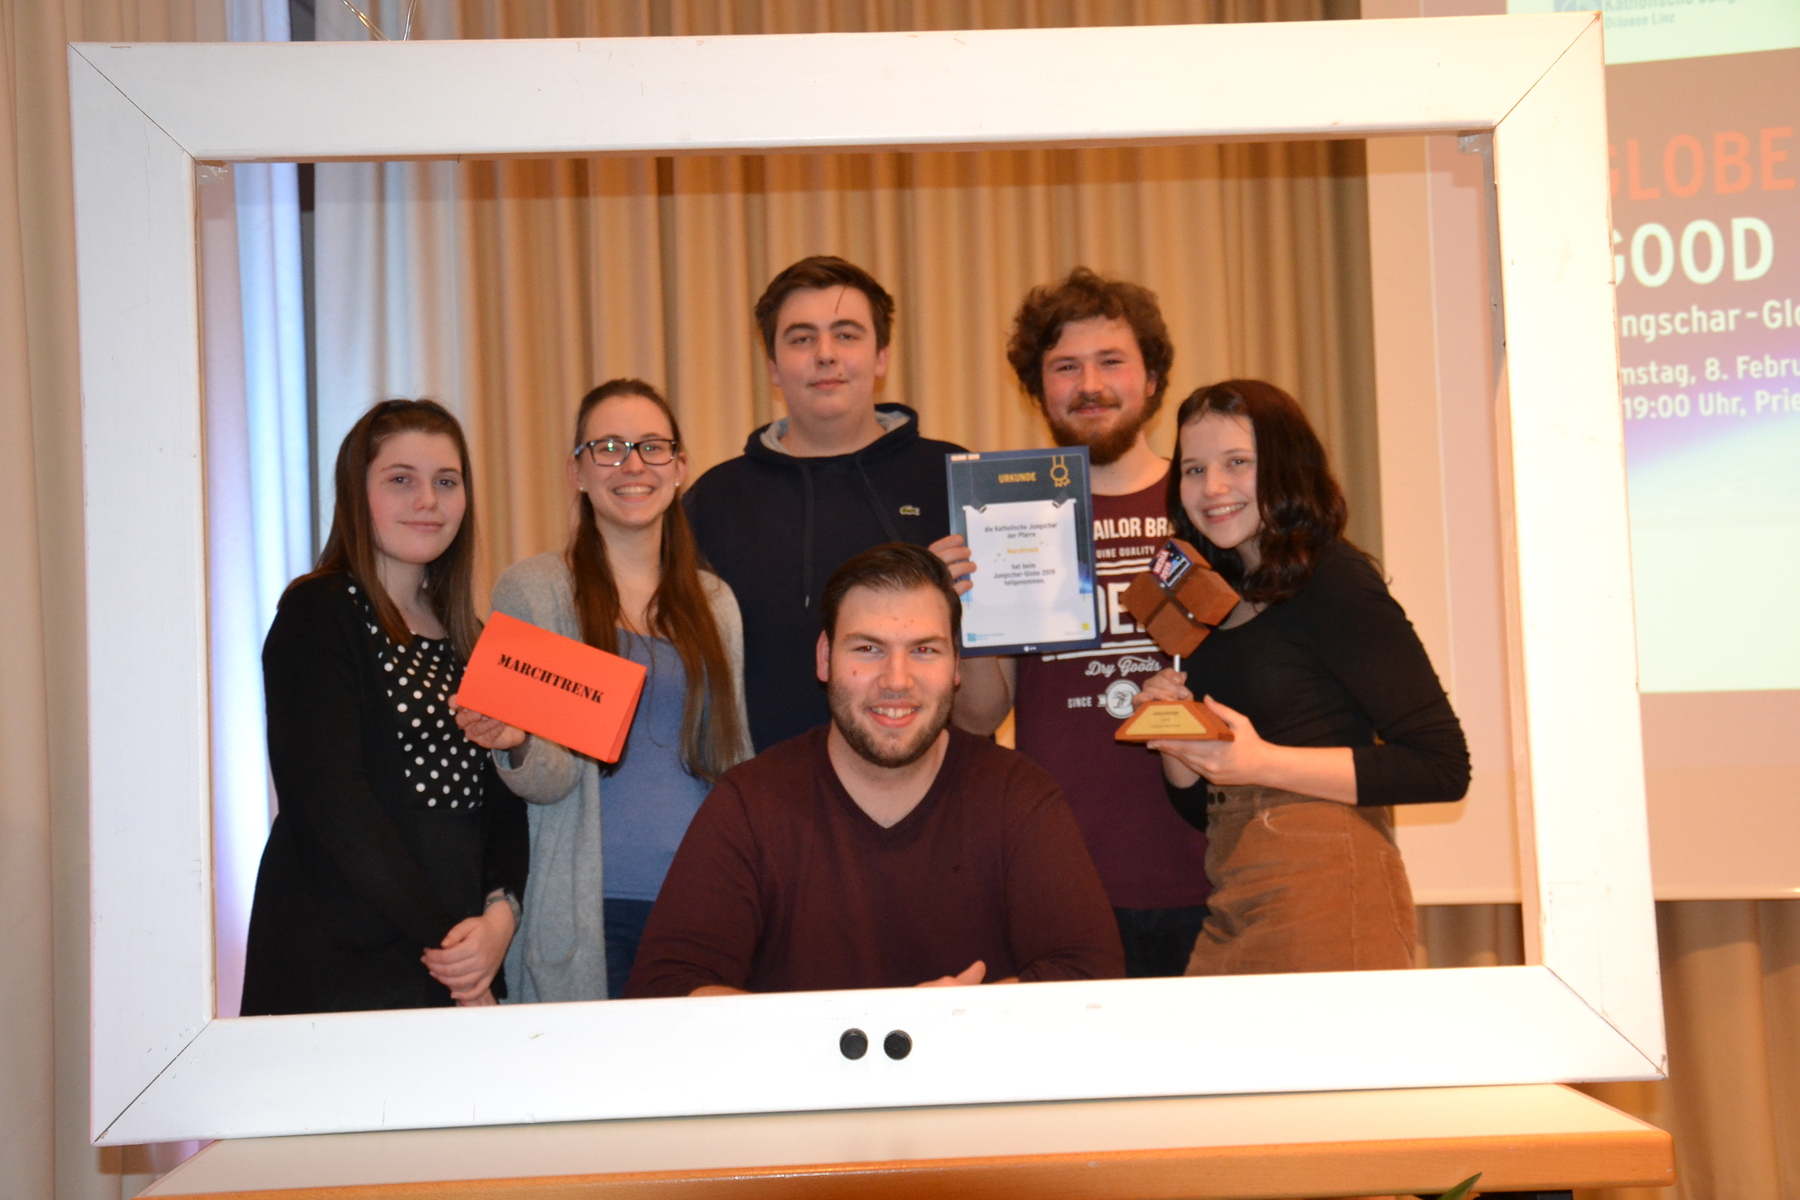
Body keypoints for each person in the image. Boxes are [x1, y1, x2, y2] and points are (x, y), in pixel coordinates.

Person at [625, 544, 1124, 997]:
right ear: (825, 658)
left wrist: (965, 1020)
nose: (896, 680)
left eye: (924, 650)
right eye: (868, 649)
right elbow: (667, 987)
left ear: (957, 665)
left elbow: (1092, 973)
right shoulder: (751, 803)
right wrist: (852, 1034)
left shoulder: (1017, 795)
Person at [1133, 380, 1470, 975]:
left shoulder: (1335, 580)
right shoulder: (1212, 598)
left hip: (1329, 891)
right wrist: (1177, 740)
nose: (1213, 488)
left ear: (1285, 465)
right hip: (1234, 889)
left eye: (1238, 463)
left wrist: (1261, 761)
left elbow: (1442, 766)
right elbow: (1204, 809)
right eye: (1193, 469)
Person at [931, 267, 1210, 978]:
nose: (1090, 384)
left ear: (1153, 379)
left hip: (1210, 868)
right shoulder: (1008, 513)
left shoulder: (1207, 504)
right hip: (1064, 873)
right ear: (1038, 388)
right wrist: (966, 612)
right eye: (1065, 367)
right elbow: (980, 716)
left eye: (1111, 361)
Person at [455, 380, 752, 1003]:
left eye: (652, 446)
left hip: (703, 901)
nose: (633, 464)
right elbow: (550, 778)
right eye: (609, 447)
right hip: (592, 909)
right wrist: (517, 741)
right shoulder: (535, 591)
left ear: (680, 467)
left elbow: (733, 760)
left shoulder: (716, 602)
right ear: (578, 473)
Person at [241, 400, 528, 1015]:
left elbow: (503, 806)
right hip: (346, 964)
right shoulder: (318, 614)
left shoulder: (472, 638)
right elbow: (335, 805)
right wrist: (452, 952)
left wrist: (499, 919)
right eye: (401, 479)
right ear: (356, 493)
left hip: (457, 952)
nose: (428, 500)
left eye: (446, 482)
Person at [685, 255, 966, 753]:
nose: (825, 354)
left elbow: (985, 699)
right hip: (763, 788)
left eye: (846, 334)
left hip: (933, 787)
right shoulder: (715, 500)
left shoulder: (955, 477)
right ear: (773, 367)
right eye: (801, 339)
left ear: (881, 357)